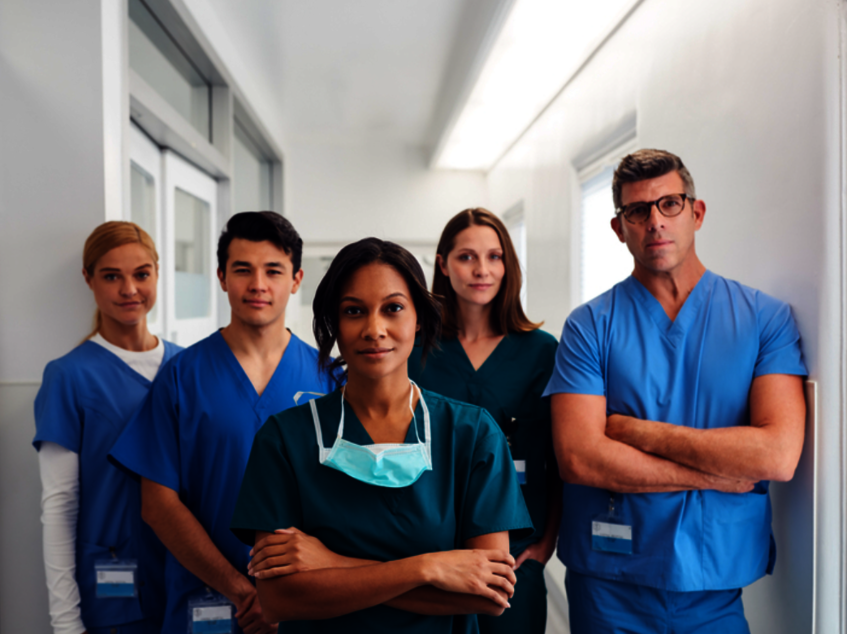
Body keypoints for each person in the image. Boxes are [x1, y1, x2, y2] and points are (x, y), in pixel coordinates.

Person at [544, 149, 807, 633]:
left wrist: (635, 432)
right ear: (619, 228)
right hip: (608, 586)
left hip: (715, 587)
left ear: (696, 212)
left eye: (669, 204)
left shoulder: (763, 319)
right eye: (637, 211)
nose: (654, 222)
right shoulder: (589, 327)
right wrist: (715, 477)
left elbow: (777, 454)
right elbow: (581, 458)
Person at [229, 237, 533, 634]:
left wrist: (333, 564)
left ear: (419, 318)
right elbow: (278, 599)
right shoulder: (285, 440)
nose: (374, 329)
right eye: (354, 311)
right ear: (333, 324)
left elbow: (487, 596)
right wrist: (429, 567)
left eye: (393, 309)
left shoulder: (471, 434)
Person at [109, 212, 336, 634]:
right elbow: (158, 505)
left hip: (307, 604)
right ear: (221, 276)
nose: (258, 285)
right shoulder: (182, 376)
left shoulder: (329, 379)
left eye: (273, 270)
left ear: (297, 279)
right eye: (242, 270)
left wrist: (288, 595)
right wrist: (242, 592)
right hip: (208, 603)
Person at [408, 208, 560, 634]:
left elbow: (559, 458)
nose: (482, 270)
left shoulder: (542, 352)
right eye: (467, 257)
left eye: (495, 257)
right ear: (442, 264)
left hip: (515, 553)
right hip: (431, 551)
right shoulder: (417, 350)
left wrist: (548, 541)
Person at [34, 221, 182, 634]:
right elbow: (59, 508)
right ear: (89, 279)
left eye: (141, 274)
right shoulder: (68, 376)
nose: (129, 289)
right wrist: (65, 623)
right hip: (114, 593)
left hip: (189, 581)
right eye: (111, 276)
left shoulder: (188, 367)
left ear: (157, 272)